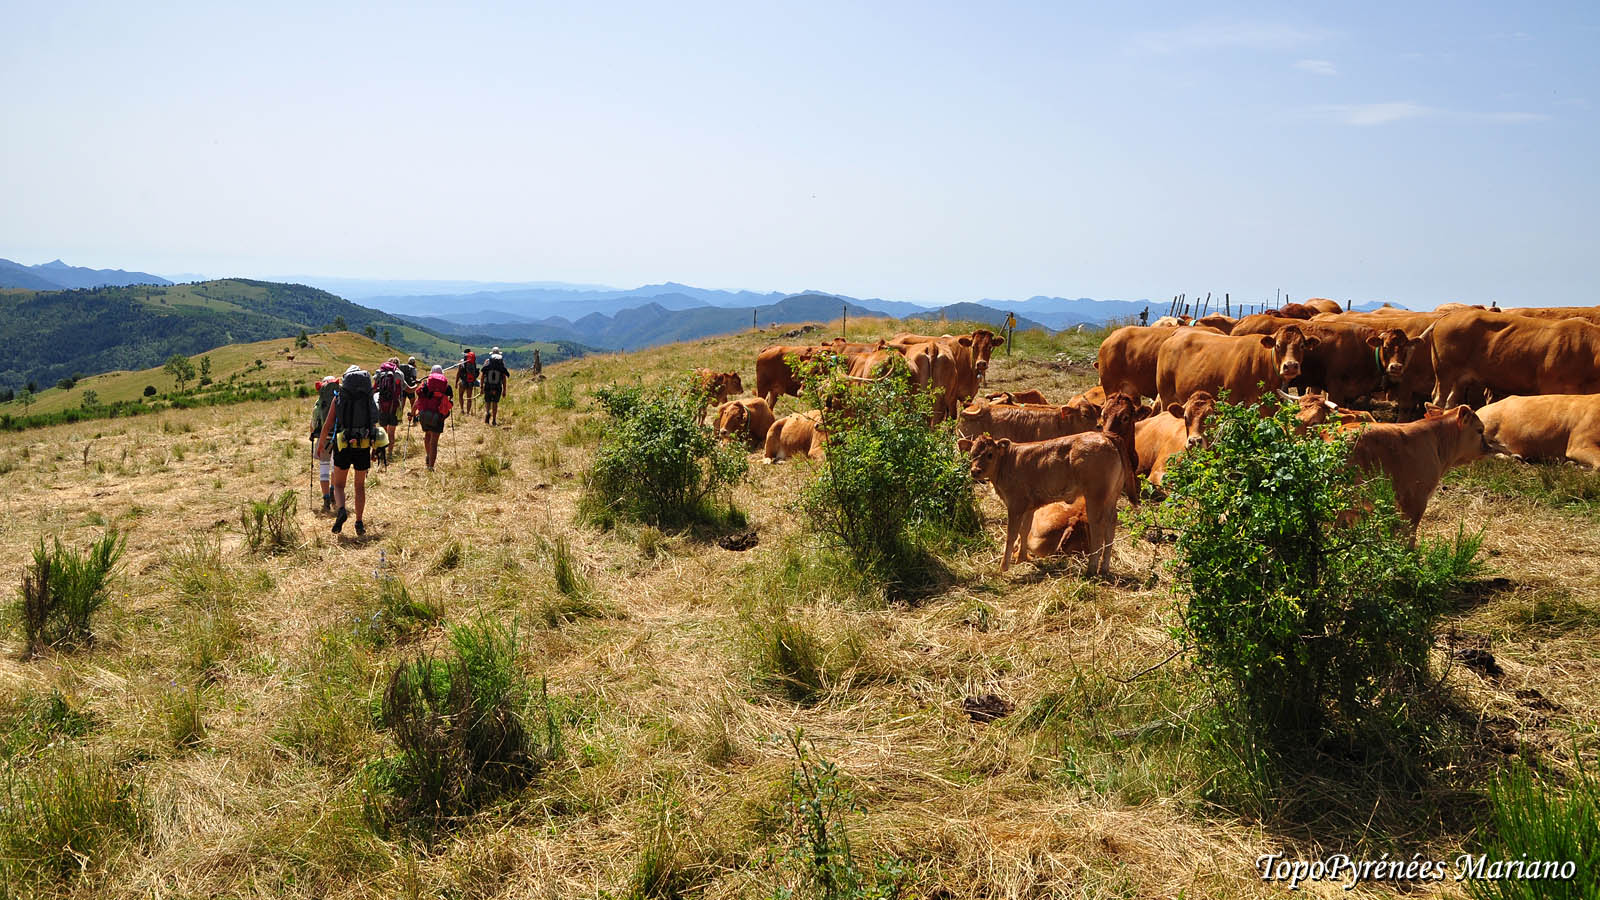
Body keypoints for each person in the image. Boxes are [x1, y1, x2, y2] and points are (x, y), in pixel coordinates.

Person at [316, 364, 382, 535]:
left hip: (343, 444)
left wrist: (320, 444)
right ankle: (359, 523)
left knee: (339, 485)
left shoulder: (338, 397)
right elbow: (374, 422)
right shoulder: (368, 398)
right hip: (363, 444)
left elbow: (327, 425)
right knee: (359, 486)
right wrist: (375, 448)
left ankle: (341, 511)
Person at [412, 364, 454, 470]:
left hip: (424, 415)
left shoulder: (425, 385)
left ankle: (428, 455)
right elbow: (449, 403)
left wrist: (412, 413)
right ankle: (431, 466)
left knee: (427, 435)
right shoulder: (446, 386)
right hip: (438, 416)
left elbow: (417, 401)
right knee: (434, 442)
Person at [309, 375, 339, 511]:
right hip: (338, 438)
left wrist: (313, 434)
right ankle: (333, 491)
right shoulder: (340, 399)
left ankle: (326, 498)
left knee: (324, 470)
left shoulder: (319, 403)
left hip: (324, 439)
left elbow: (313, 425)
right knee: (335, 468)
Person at [374, 358, 407, 464]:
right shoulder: (399, 374)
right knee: (391, 433)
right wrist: (417, 385)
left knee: (383, 432)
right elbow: (408, 388)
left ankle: (382, 455)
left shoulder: (380, 373)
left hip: (382, 406)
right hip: (394, 407)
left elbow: (374, 388)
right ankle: (390, 454)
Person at [480, 347, 510, 425]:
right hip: (497, 386)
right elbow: (503, 377)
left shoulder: (487, 362)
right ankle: (494, 420)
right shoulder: (501, 363)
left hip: (488, 385)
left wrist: (481, 387)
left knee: (488, 402)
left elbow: (482, 375)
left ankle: (487, 413)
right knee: (495, 403)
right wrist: (504, 390)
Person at [456, 348, 479, 416]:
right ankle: (468, 412)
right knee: (469, 397)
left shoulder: (461, 361)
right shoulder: (473, 362)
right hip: (470, 381)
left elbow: (458, 373)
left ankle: (462, 410)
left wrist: (456, 382)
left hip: (463, 381)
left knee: (460, 395)